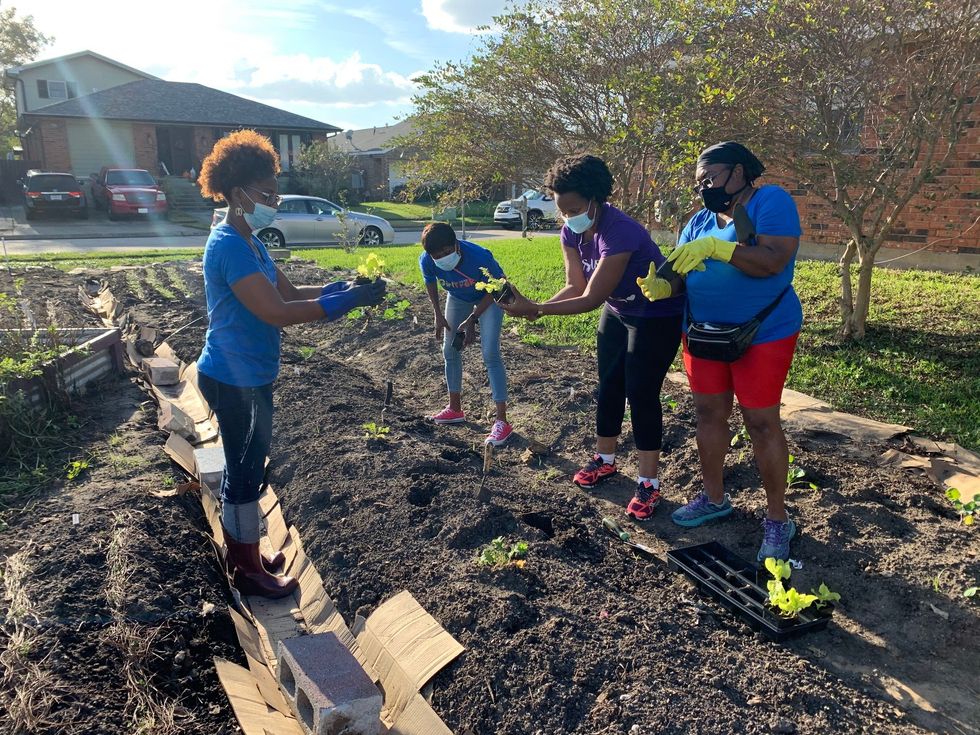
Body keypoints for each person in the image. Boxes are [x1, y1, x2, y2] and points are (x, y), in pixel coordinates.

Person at [196, 130, 385, 598]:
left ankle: (247, 550)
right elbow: (275, 313)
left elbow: (289, 293)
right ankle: (246, 570)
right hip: (232, 375)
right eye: (267, 193)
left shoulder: (251, 240)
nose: (273, 201)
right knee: (245, 471)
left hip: (251, 372)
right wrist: (338, 306)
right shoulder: (228, 245)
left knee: (250, 463)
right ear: (239, 192)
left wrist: (342, 289)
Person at [637, 141, 802, 561]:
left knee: (761, 422)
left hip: (762, 331)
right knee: (708, 414)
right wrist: (663, 286)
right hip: (703, 334)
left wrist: (719, 248)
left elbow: (772, 261)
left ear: (741, 171)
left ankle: (778, 520)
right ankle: (714, 499)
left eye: (711, 177)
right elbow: (678, 274)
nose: (704, 187)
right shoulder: (697, 222)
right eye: (699, 182)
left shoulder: (771, 201)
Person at [502, 154, 684, 520]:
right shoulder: (570, 231)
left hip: (655, 314)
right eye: (562, 210)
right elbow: (575, 285)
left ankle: (649, 483)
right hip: (618, 312)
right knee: (609, 386)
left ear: (595, 198)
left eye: (574, 208)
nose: (568, 218)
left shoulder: (622, 231)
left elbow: (590, 298)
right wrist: (536, 306)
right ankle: (605, 459)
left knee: (642, 393)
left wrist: (535, 308)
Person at [420, 222, 512, 446]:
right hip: (458, 298)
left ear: (456, 245)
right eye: (437, 255)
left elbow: (498, 287)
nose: (443, 257)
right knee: (449, 350)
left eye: (446, 251)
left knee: (490, 352)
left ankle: (502, 421)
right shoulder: (427, 260)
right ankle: (455, 408)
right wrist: (437, 314)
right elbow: (430, 282)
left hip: (490, 299)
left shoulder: (479, 256)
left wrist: (473, 319)